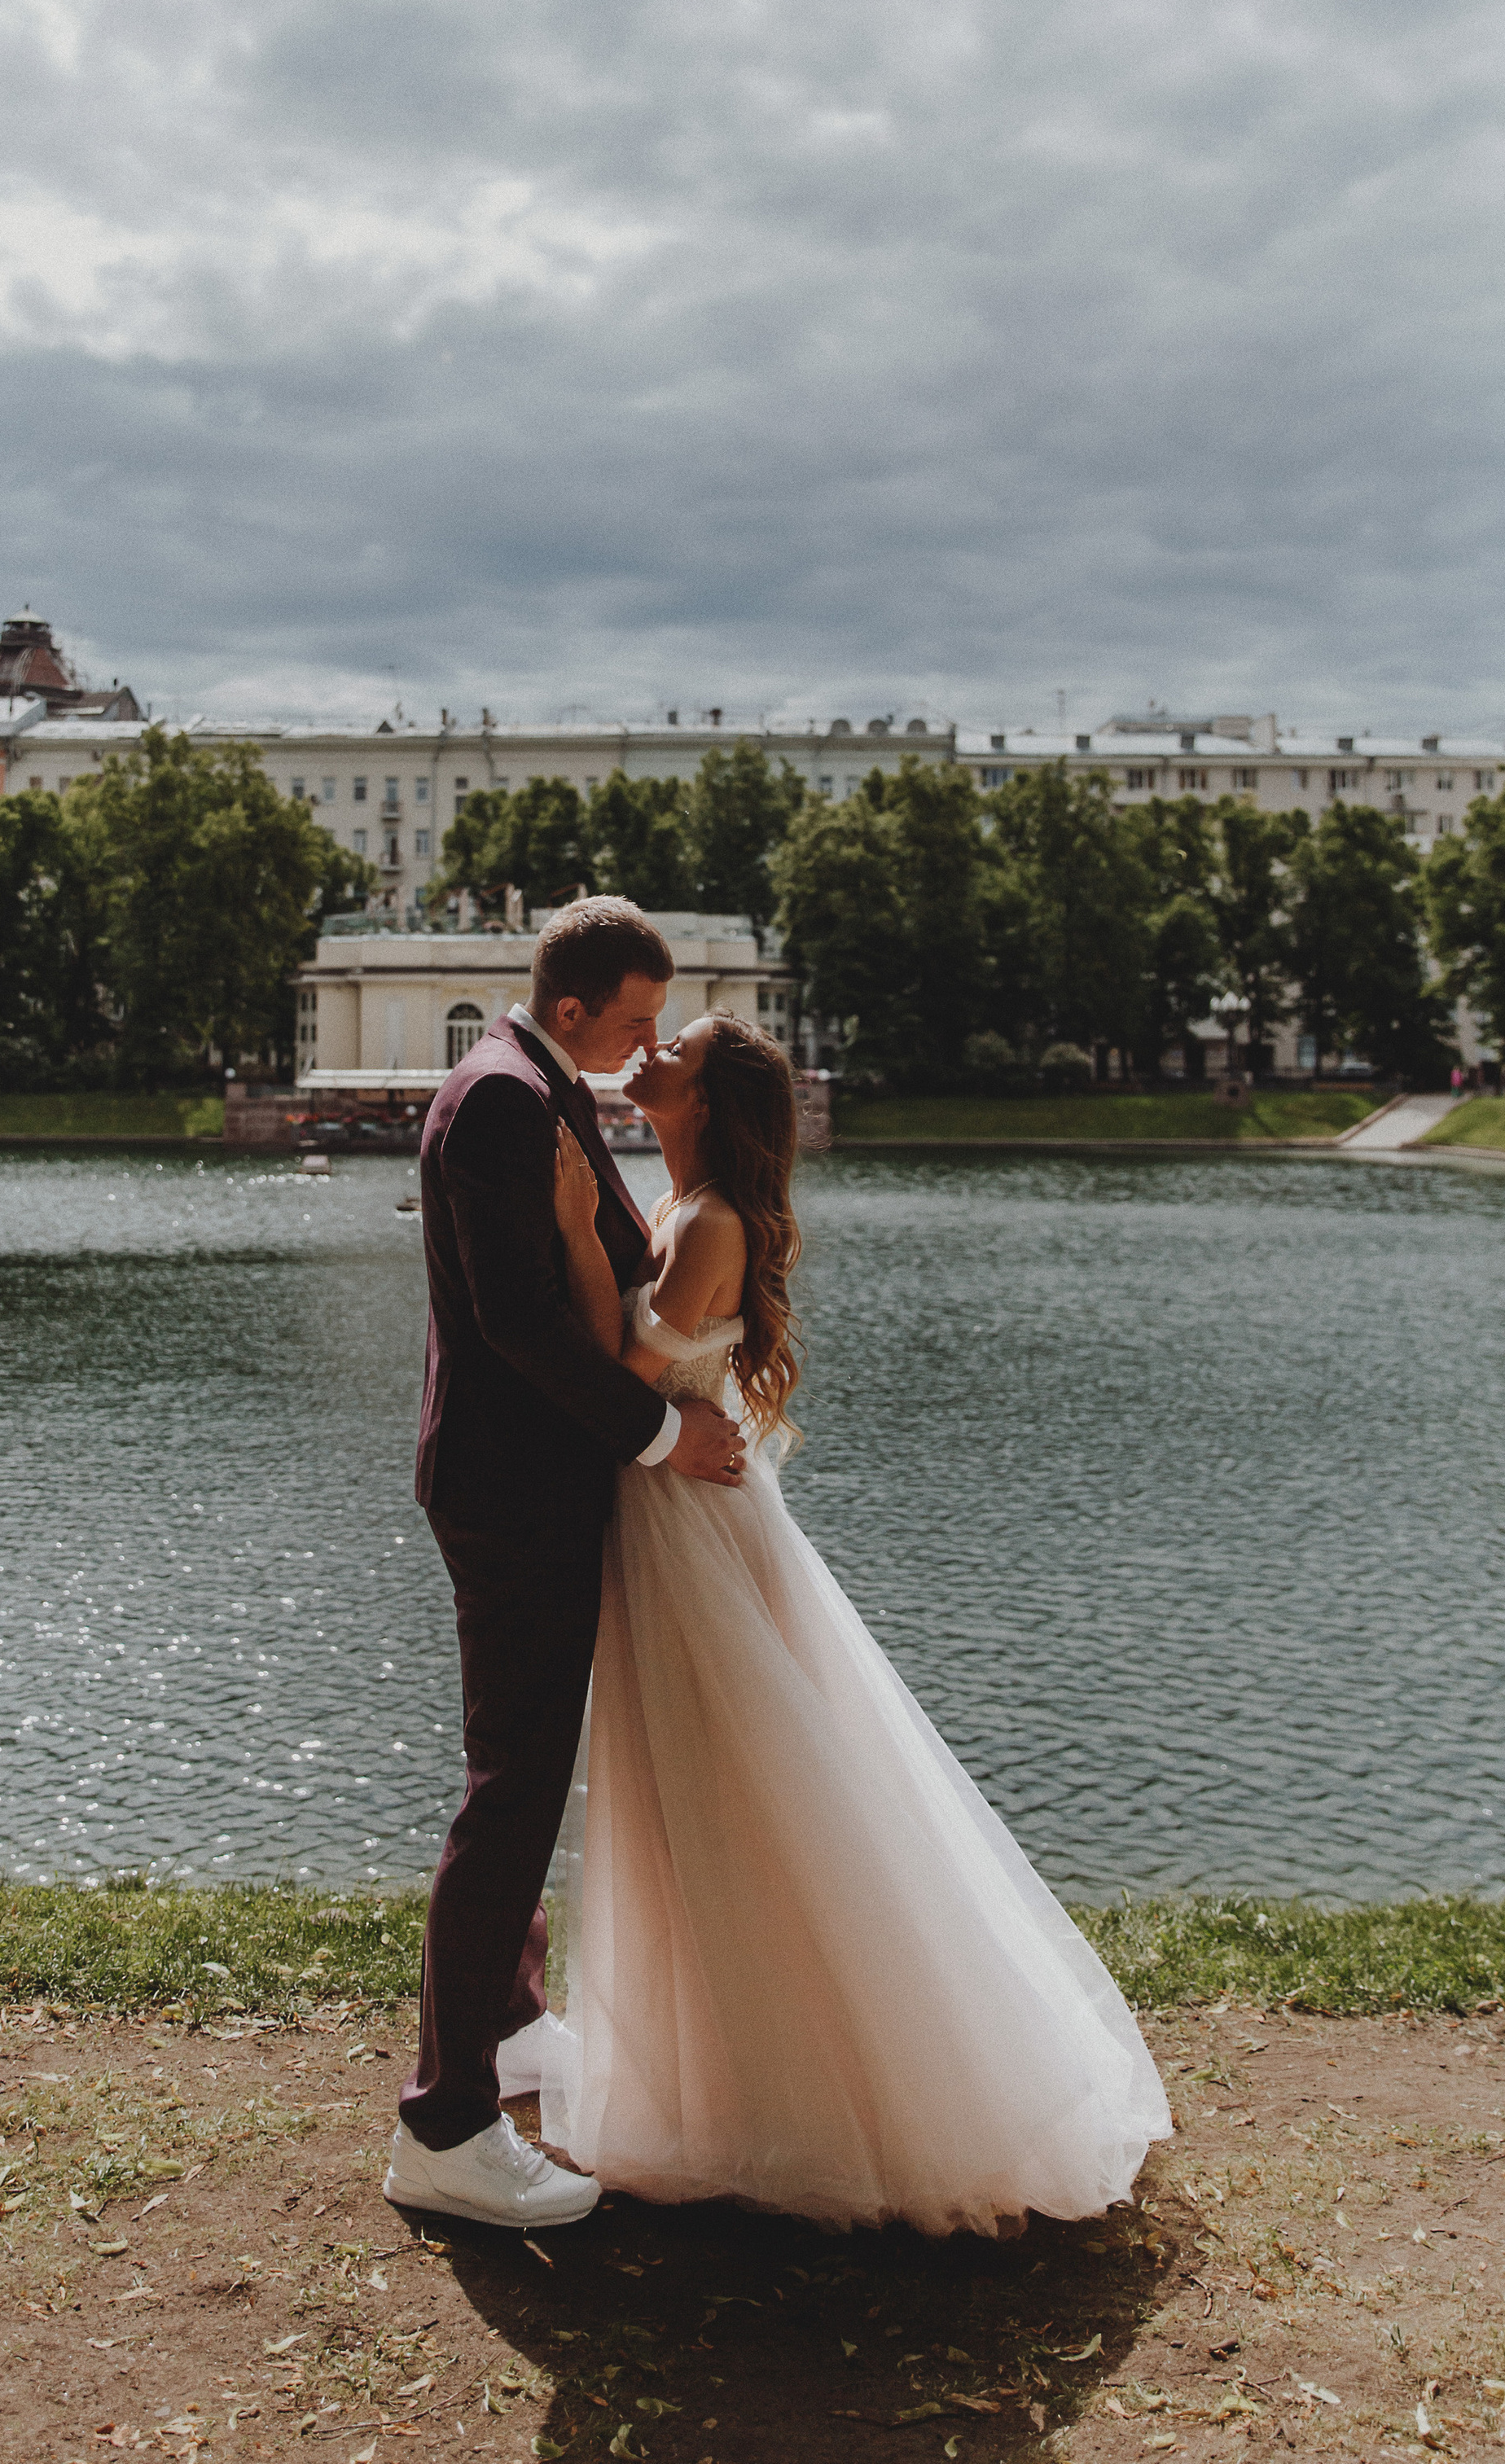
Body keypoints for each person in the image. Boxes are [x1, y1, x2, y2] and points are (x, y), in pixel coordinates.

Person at [538, 1009, 1170, 2235]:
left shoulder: (710, 1219)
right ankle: (724, 2084)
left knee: (741, 1786)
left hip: (689, 1530)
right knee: (709, 1790)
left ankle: (824, 2099)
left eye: (686, 1042)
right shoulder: (687, 1208)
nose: (655, 1041)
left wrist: (571, 1228)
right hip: (679, 1510)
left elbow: (622, 1366)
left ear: (709, 1100)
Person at [384, 898, 744, 2230]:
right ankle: (445, 2125)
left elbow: (595, 1264)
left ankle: (515, 2024)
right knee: (511, 1788)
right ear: (576, 1004)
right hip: (508, 1487)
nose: (649, 1046)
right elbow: (518, 1324)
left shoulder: (542, 1081)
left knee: (524, 1773)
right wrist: (659, 1431)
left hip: (533, 1481)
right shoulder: (498, 1099)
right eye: (638, 1020)